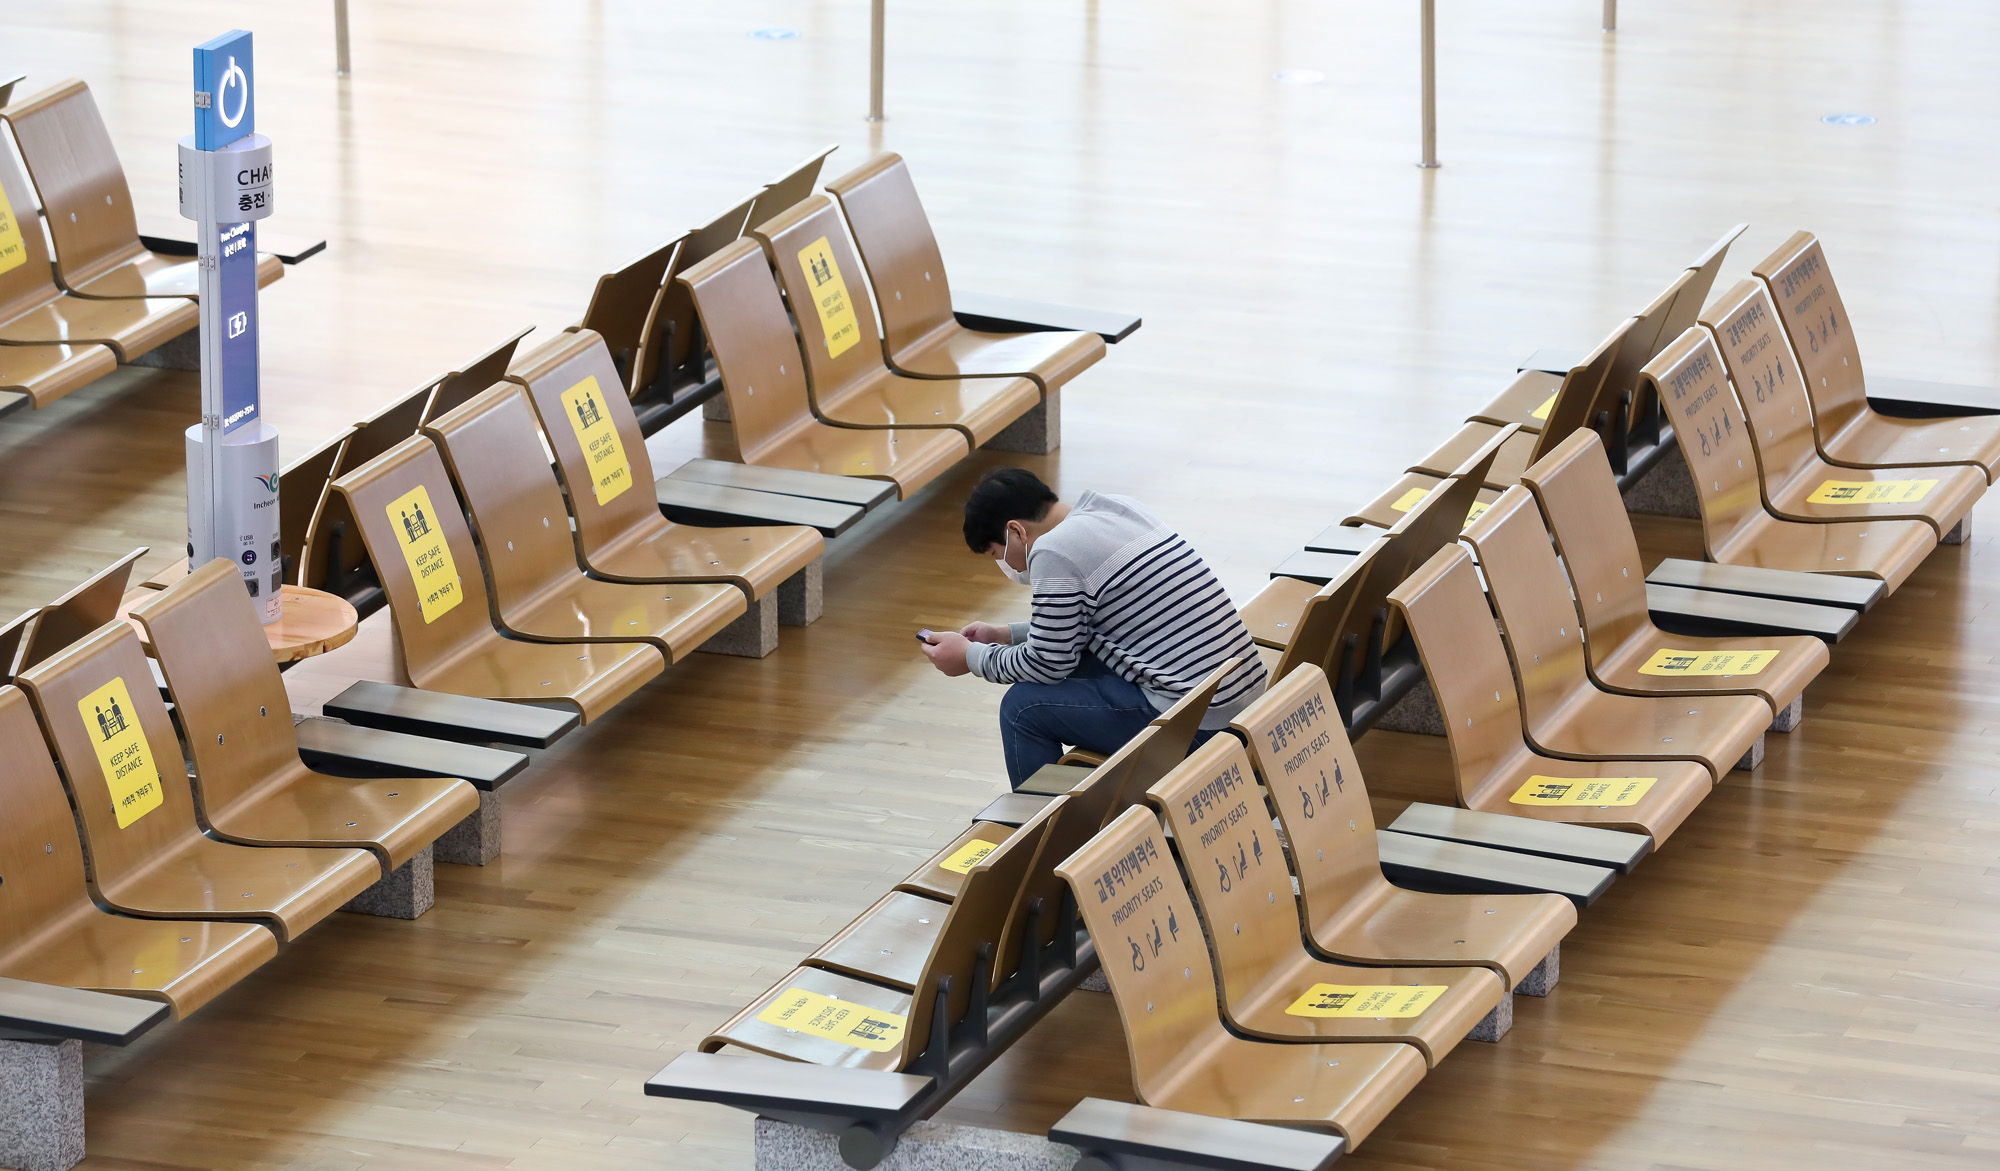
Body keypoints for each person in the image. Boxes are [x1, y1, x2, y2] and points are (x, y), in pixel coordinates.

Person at [920, 468, 1268, 788]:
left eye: (997, 553)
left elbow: (1047, 663)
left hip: (1196, 722)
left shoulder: (1054, 550)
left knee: (1022, 708)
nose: (1003, 565)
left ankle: (1042, 840)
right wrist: (1004, 635)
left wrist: (970, 657)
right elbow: (1086, 625)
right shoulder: (1117, 509)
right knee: (1067, 670)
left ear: (1016, 531)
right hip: (1240, 697)